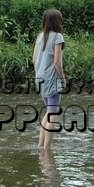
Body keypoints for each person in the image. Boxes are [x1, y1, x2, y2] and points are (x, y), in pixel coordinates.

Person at [33, 9, 66, 149]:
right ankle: (47, 148)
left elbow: (33, 59)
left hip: (39, 76)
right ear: (56, 22)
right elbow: (57, 62)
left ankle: (41, 146)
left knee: (48, 111)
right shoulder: (58, 37)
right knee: (53, 112)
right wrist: (63, 78)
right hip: (51, 77)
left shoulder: (40, 36)